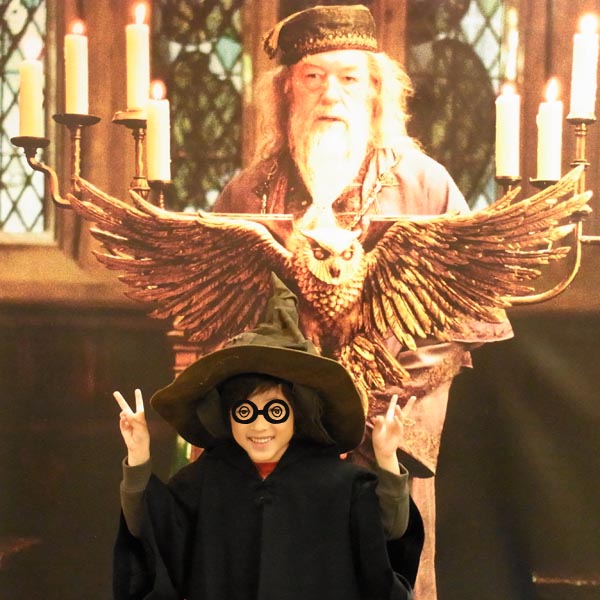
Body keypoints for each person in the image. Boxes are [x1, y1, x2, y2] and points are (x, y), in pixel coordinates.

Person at [212, 5, 513, 598]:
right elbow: (224, 321)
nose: (332, 94)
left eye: (349, 78)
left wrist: (376, 394)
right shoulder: (247, 192)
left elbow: (475, 313)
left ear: (376, 90)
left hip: (389, 424)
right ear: (286, 90)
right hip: (280, 433)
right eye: (313, 76)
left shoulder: (425, 185)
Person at [112, 274, 424, 600]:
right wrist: (138, 455)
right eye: (244, 412)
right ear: (227, 415)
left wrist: (387, 458)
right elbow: (150, 533)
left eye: (275, 411)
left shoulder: (341, 484)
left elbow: (389, 533)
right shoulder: (203, 482)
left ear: (298, 414)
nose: (259, 427)